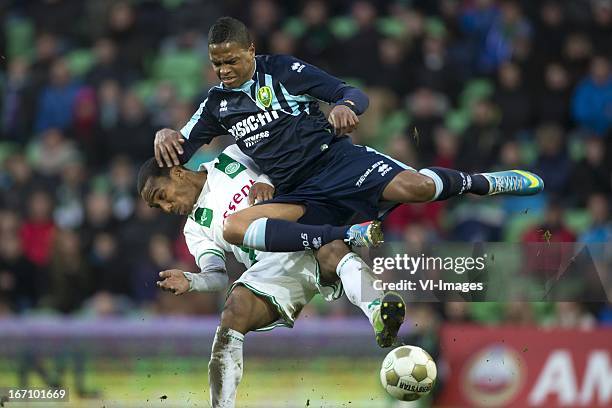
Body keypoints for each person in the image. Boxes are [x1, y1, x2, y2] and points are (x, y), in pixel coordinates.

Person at [154, 16, 544, 254]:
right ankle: (350, 238)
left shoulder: (283, 71)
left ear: (251, 50)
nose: (223, 70)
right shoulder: (216, 104)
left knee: (418, 189)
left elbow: (350, 93)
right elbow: (175, 152)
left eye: (231, 60)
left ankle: (484, 182)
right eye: (216, 63)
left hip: (335, 161)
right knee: (235, 227)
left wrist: (345, 107)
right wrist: (164, 133)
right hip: (293, 190)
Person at [137, 144, 405, 408]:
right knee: (234, 309)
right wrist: (192, 280)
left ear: (178, 173)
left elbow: (285, 157)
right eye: (158, 206)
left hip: (304, 227)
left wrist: (266, 179)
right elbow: (217, 276)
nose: (167, 207)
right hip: (271, 267)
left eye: (162, 195)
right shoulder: (194, 230)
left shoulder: (231, 157)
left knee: (332, 248)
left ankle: (379, 315)